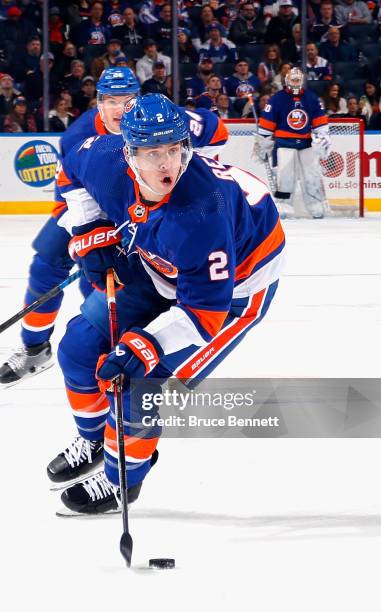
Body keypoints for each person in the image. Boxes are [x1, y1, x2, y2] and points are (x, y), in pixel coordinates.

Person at [47, 94, 284, 514]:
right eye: (153, 152)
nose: (166, 165)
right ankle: (94, 439)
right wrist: (88, 225)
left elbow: (204, 312)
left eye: (174, 150)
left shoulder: (202, 211)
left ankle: (124, 479)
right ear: (128, 152)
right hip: (162, 267)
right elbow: (70, 168)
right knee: (78, 348)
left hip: (234, 291)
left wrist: (143, 346)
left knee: (141, 388)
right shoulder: (104, 159)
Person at [0, 67, 229, 385]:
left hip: (153, 205)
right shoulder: (78, 137)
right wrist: (89, 233)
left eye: (128, 100)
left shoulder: (158, 121)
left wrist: (196, 167)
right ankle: (35, 348)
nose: (120, 110)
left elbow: (218, 133)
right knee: (49, 263)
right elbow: (68, 197)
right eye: (112, 101)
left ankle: (114, 348)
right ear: (98, 103)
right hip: (96, 209)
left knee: (122, 283)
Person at [254, 67, 331, 219]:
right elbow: (267, 124)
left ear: (302, 81)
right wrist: (262, 143)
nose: (295, 83)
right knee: (285, 177)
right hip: (284, 143)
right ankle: (283, 205)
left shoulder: (311, 98)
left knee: (312, 176)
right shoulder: (277, 99)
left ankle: (316, 205)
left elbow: (320, 123)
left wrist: (322, 138)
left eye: (297, 80)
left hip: (306, 143)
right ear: (287, 80)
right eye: (293, 80)